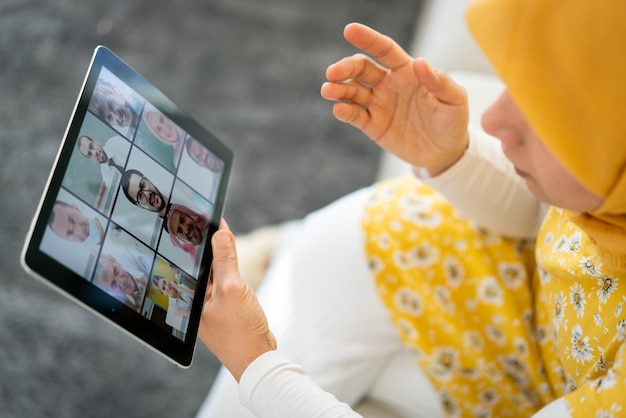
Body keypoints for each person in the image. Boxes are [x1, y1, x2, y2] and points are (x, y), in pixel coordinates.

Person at [197, 1, 626, 417]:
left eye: (543, 115)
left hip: (540, 377)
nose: (493, 120)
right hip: (517, 313)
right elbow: (536, 215)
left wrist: (256, 365)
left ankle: (281, 256)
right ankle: (289, 253)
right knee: (324, 257)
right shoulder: (609, 188)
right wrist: (453, 157)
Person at [121, 169, 209, 253]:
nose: (147, 194)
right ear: (140, 206)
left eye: (143, 185)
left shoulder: (179, 184)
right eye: (140, 196)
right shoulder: (163, 240)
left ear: (148, 180)